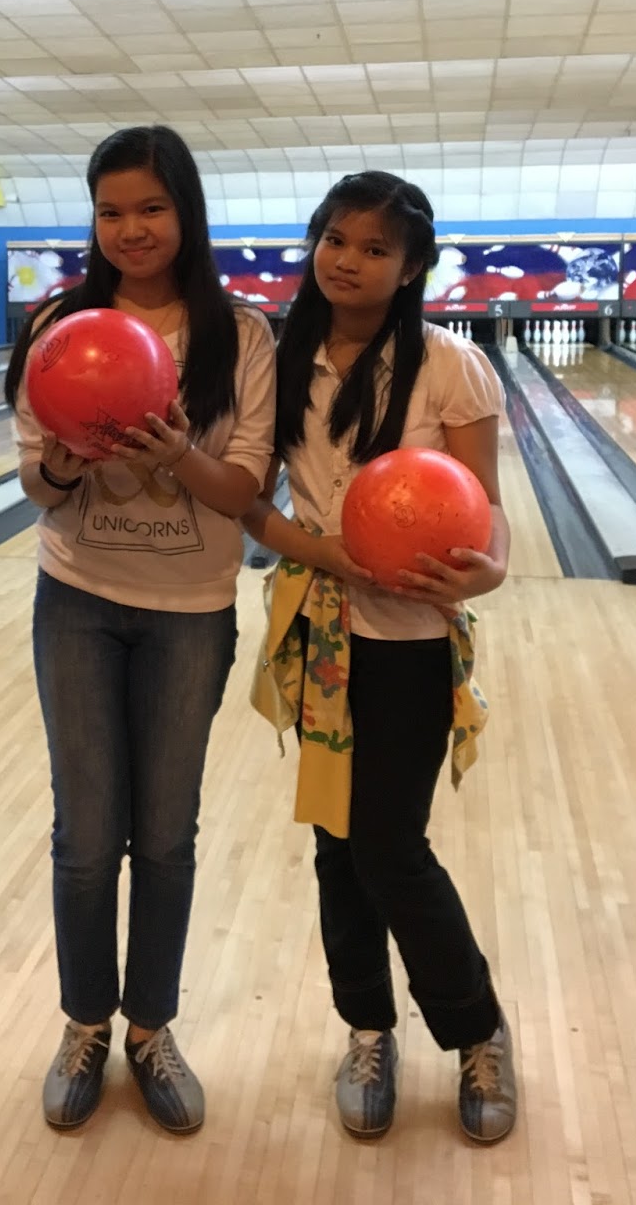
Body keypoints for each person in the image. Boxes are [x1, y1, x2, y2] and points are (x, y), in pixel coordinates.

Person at [4, 124, 275, 1136]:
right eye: (112, 210)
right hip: (76, 593)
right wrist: (70, 460)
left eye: (151, 208)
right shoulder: (61, 329)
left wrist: (172, 451)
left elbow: (246, 488)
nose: (131, 228)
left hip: (190, 611)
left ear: (185, 212)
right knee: (85, 836)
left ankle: (151, 1027)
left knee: (164, 834)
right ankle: (84, 1022)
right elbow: (37, 480)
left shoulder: (241, 336)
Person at [244, 170, 516, 1145]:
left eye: (373, 247)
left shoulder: (450, 369)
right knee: (335, 845)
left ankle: (477, 1027)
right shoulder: (280, 363)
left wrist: (471, 578)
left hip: (408, 645)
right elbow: (255, 505)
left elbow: (494, 532)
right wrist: (324, 551)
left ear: (410, 270)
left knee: (389, 846)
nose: (347, 259)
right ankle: (368, 1028)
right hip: (319, 634)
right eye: (334, 238)